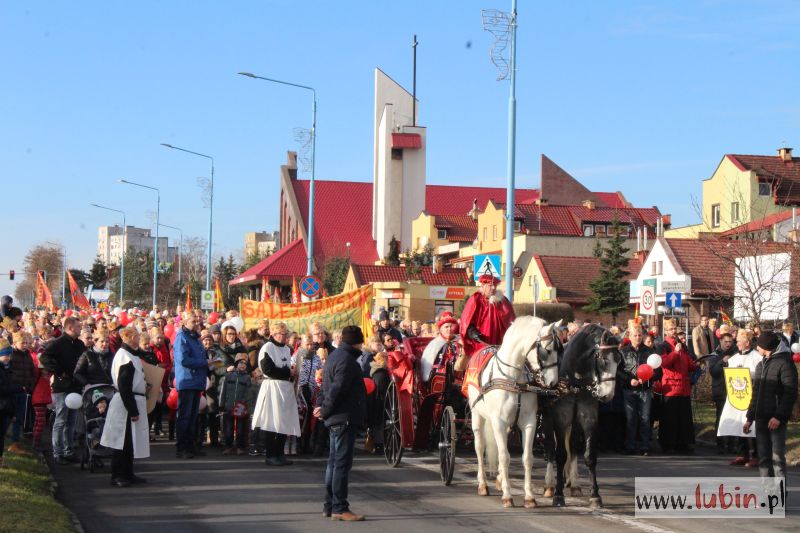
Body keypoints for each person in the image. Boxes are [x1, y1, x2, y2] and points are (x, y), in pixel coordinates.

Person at [315, 325, 367, 522]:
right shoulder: (347, 361)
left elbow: (325, 387)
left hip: (336, 417)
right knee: (341, 465)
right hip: (343, 417)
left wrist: (321, 408)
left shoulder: (335, 356)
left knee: (334, 464)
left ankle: (329, 505)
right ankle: (339, 507)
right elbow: (336, 390)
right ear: (357, 341)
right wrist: (325, 409)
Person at [744, 331, 798, 481]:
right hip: (761, 418)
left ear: (765, 346)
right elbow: (756, 393)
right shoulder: (761, 365)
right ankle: (768, 494)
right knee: (763, 459)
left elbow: (790, 393)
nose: (756, 348)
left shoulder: (785, 363)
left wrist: (779, 416)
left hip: (775, 420)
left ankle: (778, 497)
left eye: (758, 345)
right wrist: (749, 417)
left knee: (777, 460)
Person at [100, 327, 150, 487]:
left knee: (130, 441)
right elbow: (124, 385)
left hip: (132, 399)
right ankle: (118, 475)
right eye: (137, 336)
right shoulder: (124, 357)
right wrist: (132, 409)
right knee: (122, 441)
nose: (139, 338)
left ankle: (128, 473)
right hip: (125, 403)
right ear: (131, 337)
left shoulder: (130, 355)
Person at [251, 321, 301, 466]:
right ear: (273, 334)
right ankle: (271, 454)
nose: (284, 337)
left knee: (284, 422)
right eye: (281, 334)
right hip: (273, 387)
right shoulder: (267, 347)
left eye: (285, 334)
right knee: (272, 422)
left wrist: (292, 373)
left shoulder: (287, 349)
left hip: (285, 388)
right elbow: (268, 369)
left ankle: (280, 453)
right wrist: (287, 372)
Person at [40, 316, 85, 464]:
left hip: (75, 387)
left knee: (71, 421)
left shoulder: (80, 344)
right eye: (78, 327)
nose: (81, 329)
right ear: (70, 327)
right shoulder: (57, 343)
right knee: (61, 420)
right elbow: (44, 358)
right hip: (62, 387)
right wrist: (58, 371)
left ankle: (69, 450)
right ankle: (57, 452)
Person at [718, 328, 760, 467]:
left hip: (751, 396)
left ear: (747, 342)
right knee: (738, 423)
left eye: (739, 341)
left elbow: (759, 375)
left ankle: (756, 455)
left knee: (751, 424)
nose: (737, 344)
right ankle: (743, 453)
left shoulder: (757, 357)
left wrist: (748, 373)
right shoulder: (734, 358)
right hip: (737, 396)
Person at [173, 312, 212, 459]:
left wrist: (210, 363)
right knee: (185, 416)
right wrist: (204, 363)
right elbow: (183, 360)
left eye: (198, 320)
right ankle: (182, 447)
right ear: (184, 322)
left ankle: (191, 445)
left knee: (193, 416)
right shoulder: (182, 337)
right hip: (187, 381)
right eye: (193, 321)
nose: (197, 323)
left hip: (196, 381)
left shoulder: (195, 338)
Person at [658, 318, 697, 454]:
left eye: (675, 329)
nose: (674, 332)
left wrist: (695, 365)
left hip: (684, 387)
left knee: (684, 418)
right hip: (671, 387)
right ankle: (669, 444)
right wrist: (675, 352)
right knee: (670, 418)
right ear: (666, 331)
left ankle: (683, 443)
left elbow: (688, 363)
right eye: (671, 329)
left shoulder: (683, 346)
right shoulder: (663, 346)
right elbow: (665, 363)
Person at [618, 327, 658, 455]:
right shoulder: (623, 352)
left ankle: (645, 446)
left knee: (645, 418)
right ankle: (630, 446)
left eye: (640, 335)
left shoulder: (649, 351)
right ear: (629, 336)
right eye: (635, 335)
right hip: (628, 389)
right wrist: (629, 380)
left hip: (644, 389)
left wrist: (647, 379)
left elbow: (657, 371)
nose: (638, 338)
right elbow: (618, 371)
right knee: (631, 419)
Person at [459, 273, 515, 357]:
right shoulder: (475, 299)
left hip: (500, 344)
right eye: (490, 285)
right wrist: (472, 332)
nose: (493, 288)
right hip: (480, 344)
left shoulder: (503, 301)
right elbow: (466, 320)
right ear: (483, 286)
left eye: (495, 286)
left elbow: (511, 321)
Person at [707, 332, 737, 453]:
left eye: (730, 342)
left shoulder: (735, 353)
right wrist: (722, 362)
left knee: (734, 417)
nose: (728, 344)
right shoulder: (715, 354)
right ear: (721, 342)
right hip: (720, 389)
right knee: (721, 417)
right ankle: (720, 443)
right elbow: (713, 372)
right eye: (726, 342)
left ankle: (732, 443)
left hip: (733, 389)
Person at [8, 331, 36, 452]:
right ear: (15, 342)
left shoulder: (27, 354)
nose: (25, 345)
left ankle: (15, 441)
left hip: (24, 390)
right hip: (12, 390)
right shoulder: (11, 354)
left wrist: (29, 386)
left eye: (26, 343)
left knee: (19, 417)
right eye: (22, 342)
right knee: (10, 416)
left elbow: (31, 372)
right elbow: (8, 373)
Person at [219, 354, 251, 455]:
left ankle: (240, 447)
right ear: (236, 364)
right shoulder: (228, 376)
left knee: (240, 429)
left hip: (241, 407)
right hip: (229, 406)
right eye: (241, 363)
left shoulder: (247, 377)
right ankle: (228, 446)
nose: (243, 365)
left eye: (245, 363)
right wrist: (221, 404)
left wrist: (246, 404)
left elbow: (248, 393)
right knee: (228, 428)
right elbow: (223, 391)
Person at [0, 339, 24, 468]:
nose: (9, 358)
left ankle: (0, 460)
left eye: (10, 355)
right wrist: (17, 388)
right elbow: (3, 388)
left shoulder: (6, 369)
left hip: (5, 407)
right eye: (6, 355)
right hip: (2, 406)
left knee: (2, 436)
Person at [420, 312, 460, 382]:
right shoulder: (435, 344)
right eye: (446, 327)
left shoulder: (459, 341)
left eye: (451, 326)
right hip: (439, 378)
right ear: (441, 329)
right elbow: (427, 366)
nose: (449, 329)